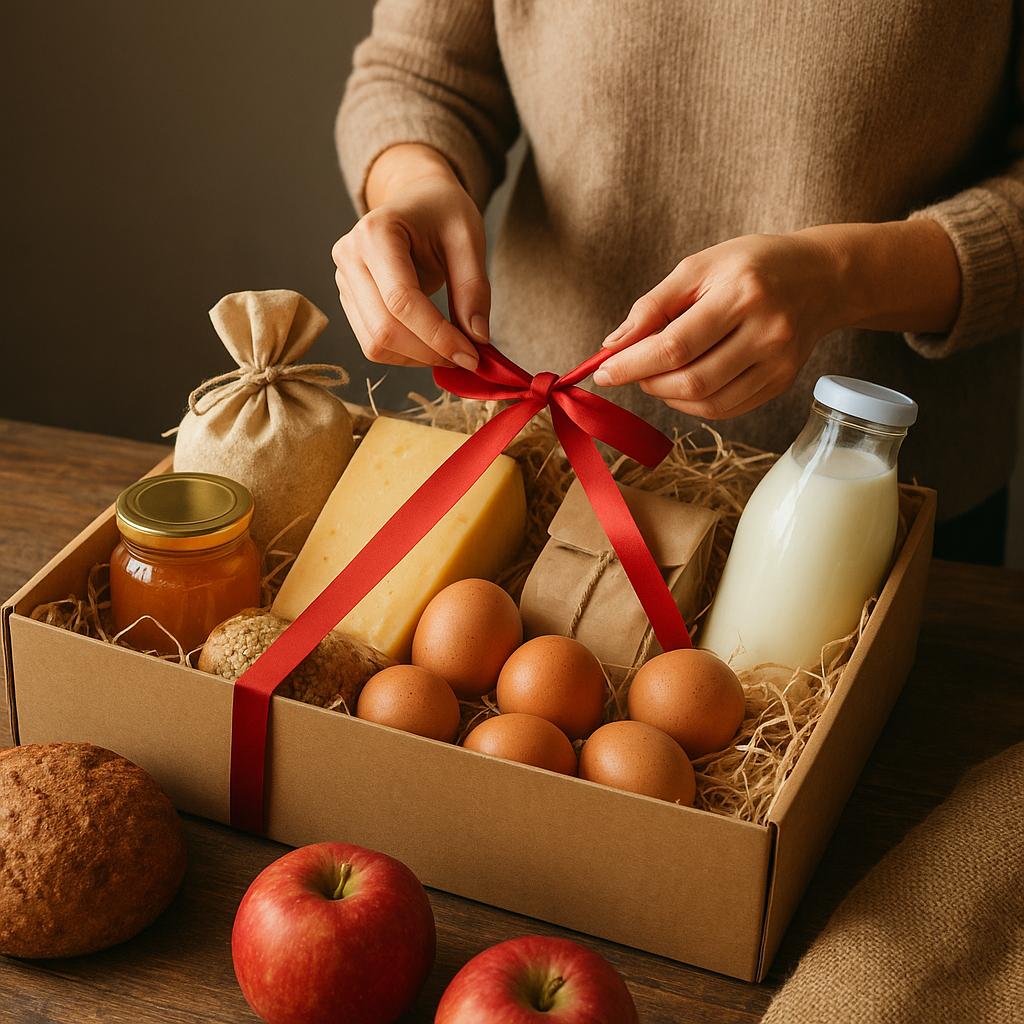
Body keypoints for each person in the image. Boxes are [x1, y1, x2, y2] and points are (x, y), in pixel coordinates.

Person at [332, 0, 1023, 566]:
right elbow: (419, 75)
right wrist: (415, 185)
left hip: (878, 518)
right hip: (534, 478)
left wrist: (841, 279)